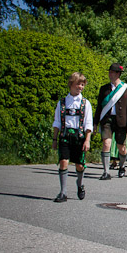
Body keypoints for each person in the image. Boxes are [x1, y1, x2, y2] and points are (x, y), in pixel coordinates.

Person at [51, 72, 93, 202]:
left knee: (79, 166)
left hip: (79, 137)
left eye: (82, 84)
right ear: (71, 84)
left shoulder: (85, 103)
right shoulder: (62, 102)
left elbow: (88, 123)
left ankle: (80, 185)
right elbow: (57, 121)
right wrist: (54, 139)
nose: (80, 87)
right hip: (65, 136)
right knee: (64, 162)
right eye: (78, 84)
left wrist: (87, 140)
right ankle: (63, 193)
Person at [94, 63, 127, 179]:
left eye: (112, 72)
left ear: (118, 74)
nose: (109, 74)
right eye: (109, 72)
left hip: (121, 121)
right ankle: (106, 172)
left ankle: (122, 166)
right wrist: (95, 122)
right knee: (106, 143)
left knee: (121, 147)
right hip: (107, 120)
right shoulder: (104, 88)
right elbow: (99, 107)